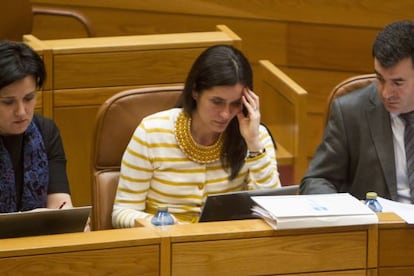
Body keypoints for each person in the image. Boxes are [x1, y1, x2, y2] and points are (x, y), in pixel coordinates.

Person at [112, 45, 281, 228]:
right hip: (164, 245)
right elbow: (121, 211)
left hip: (226, 245)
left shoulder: (255, 136)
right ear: (195, 92)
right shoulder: (152, 132)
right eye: (217, 102)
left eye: (236, 104)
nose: (226, 114)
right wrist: (153, 223)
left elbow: (274, 210)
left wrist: (254, 144)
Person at [300, 20, 414, 204]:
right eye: (380, 79)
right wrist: (349, 212)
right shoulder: (350, 113)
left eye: (398, 83)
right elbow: (316, 181)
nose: (386, 93)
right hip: (378, 228)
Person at [0, 40, 73, 212]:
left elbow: (60, 203)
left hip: (37, 238)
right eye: (8, 102)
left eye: (28, 98)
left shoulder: (46, 131)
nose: (21, 112)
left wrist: (67, 217)